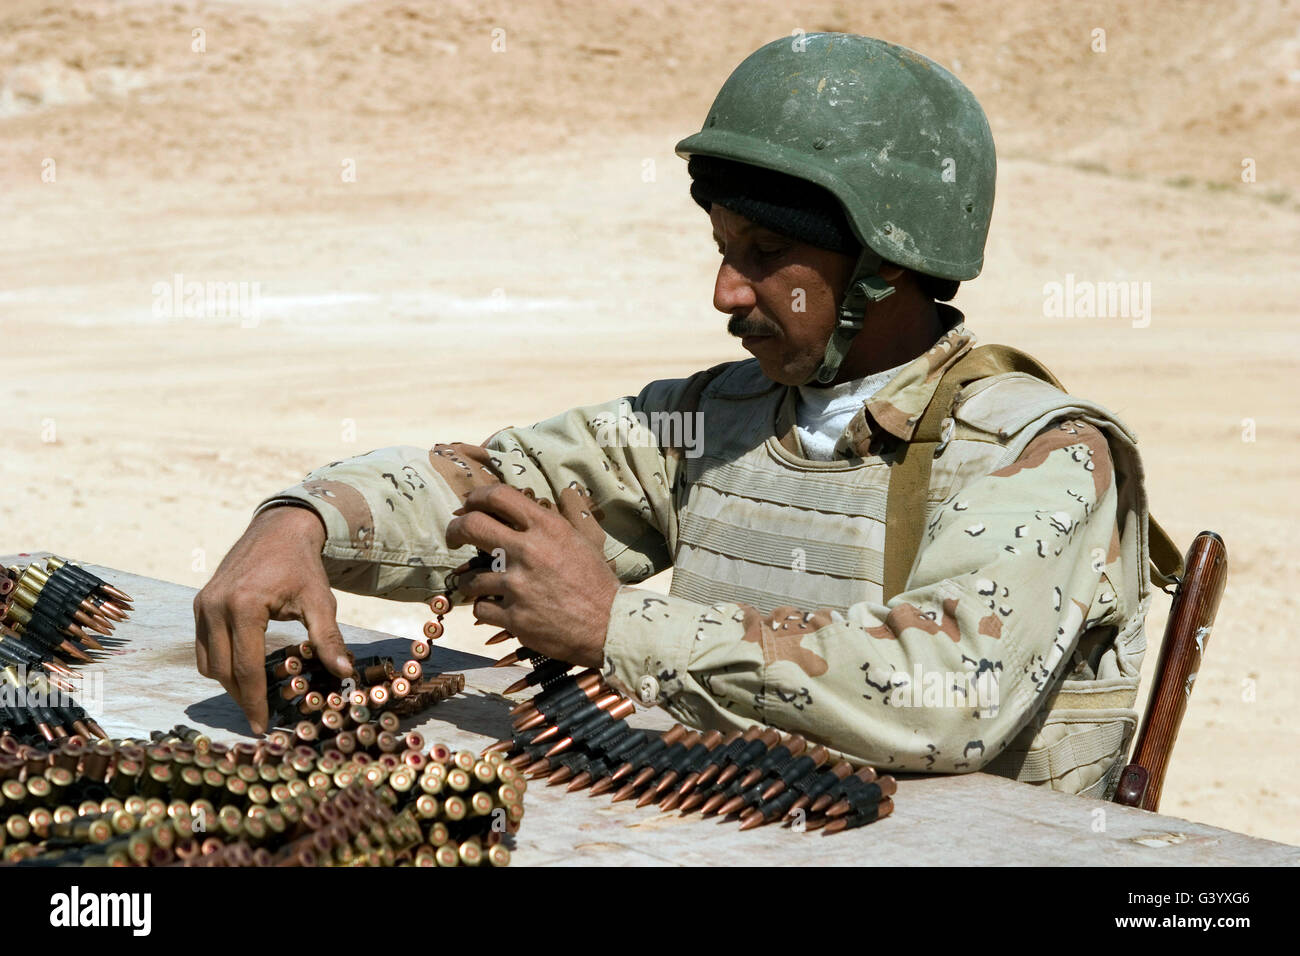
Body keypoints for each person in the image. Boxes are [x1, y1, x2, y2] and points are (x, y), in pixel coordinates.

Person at [195, 33, 1163, 799]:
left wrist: (618, 624)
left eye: (764, 252)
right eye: (721, 246)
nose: (723, 291)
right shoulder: (720, 417)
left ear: (885, 265)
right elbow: (489, 488)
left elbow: (943, 691)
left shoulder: (1040, 453)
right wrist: (306, 518)